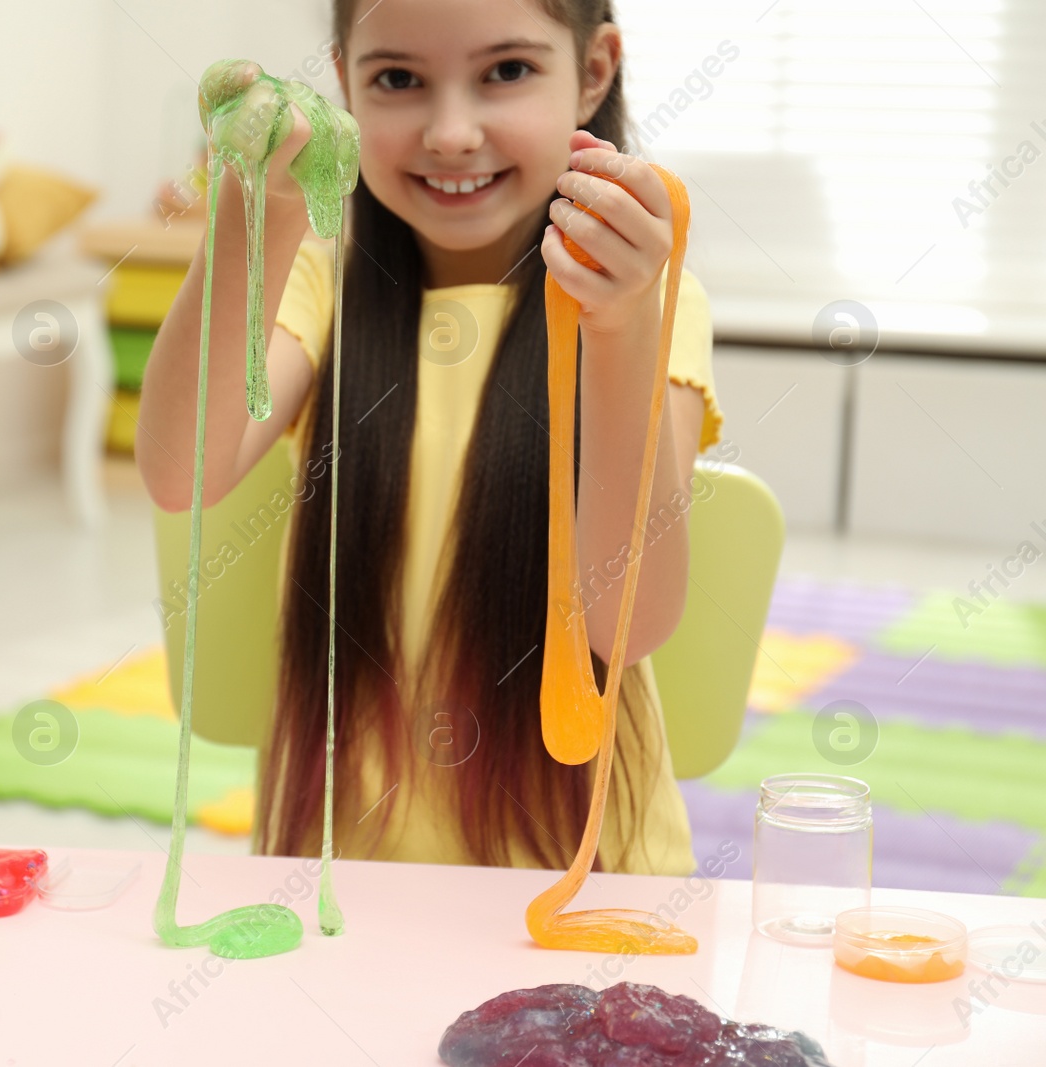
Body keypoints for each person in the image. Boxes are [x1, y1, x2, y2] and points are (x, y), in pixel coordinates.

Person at [137, 0, 723, 876]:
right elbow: (182, 472)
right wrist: (253, 207)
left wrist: (621, 328)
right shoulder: (323, 278)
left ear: (594, 72)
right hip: (339, 883)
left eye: (507, 72)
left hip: (583, 890)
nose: (450, 133)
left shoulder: (646, 298)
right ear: (344, 83)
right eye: (399, 80)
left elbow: (628, 624)